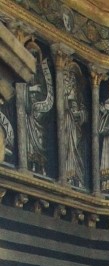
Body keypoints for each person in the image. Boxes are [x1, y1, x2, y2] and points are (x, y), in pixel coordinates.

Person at [25, 42, 53, 176]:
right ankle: (29, 163)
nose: (33, 58)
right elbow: (19, 89)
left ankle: (40, 165)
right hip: (28, 110)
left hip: (39, 113)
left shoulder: (40, 74)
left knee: (41, 138)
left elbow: (45, 92)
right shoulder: (24, 72)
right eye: (30, 55)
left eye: (35, 56)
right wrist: (31, 89)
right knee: (29, 139)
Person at [62, 62, 87, 189]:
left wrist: (80, 114)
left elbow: (85, 112)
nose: (71, 80)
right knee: (67, 148)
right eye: (69, 77)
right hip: (67, 122)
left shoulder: (79, 96)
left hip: (76, 126)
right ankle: (67, 175)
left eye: (74, 78)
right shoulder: (63, 92)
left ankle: (77, 176)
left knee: (75, 148)